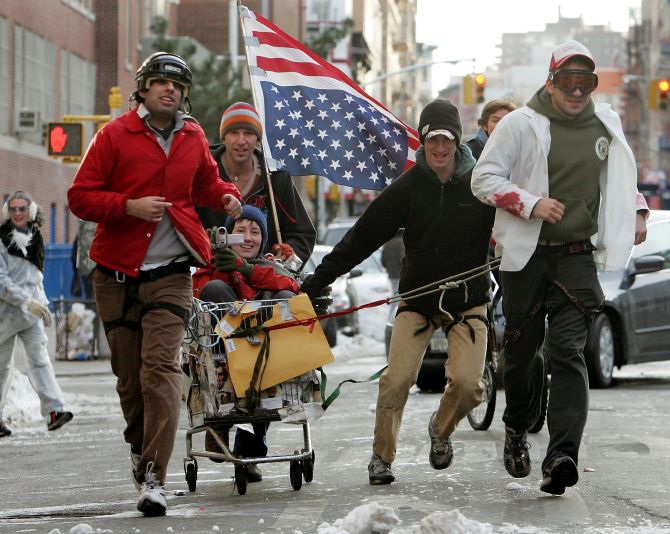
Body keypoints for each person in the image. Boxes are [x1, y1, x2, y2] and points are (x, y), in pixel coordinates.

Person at [67, 52, 242, 517]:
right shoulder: (113, 135)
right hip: (116, 275)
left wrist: (225, 196)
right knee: (130, 380)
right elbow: (79, 197)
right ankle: (138, 449)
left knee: (160, 372)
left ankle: (154, 478)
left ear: (185, 94)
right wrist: (128, 207)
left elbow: (205, 183)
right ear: (143, 89)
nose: (170, 89)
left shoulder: (193, 135)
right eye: (160, 82)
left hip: (170, 275)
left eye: (177, 84)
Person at [471, 40, 649, 496]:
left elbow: (622, 175)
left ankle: (562, 455)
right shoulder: (518, 124)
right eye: (567, 81)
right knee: (524, 351)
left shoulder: (605, 121)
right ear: (550, 82)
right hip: (525, 258)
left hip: (575, 255)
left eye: (584, 82)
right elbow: (482, 179)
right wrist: (530, 204)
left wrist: (638, 209)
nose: (576, 90)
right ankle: (516, 428)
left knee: (569, 350)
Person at [300, 99, 495, 485]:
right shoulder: (408, 187)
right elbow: (361, 238)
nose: (439, 148)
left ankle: (441, 429)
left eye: (446, 139)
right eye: (432, 140)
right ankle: (381, 458)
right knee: (397, 380)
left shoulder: (482, 186)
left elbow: (515, 227)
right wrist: (315, 283)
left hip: (468, 300)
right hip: (418, 300)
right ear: (422, 142)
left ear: (457, 141)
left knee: (472, 386)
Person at [192, 205, 300, 482]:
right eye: (241, 231)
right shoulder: (211, 265)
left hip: (263, 360)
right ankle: (219, 425)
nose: (248, 238)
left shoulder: (267, 265)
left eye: (254, 232)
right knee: (214, 291)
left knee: (280, 294)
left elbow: (293, 287)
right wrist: (221, 265)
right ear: (227, 235)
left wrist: (247, 269)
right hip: (222, 360)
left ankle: (248, 451)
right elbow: (197, 294)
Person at [197, 102, 316, 265]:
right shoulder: (202, 170)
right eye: (233, 132)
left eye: (248, 133)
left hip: (265, 277)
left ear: (258, 139)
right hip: (212, 272)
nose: (241, 141)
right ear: (223, 136)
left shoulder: (275, 177)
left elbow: (303, 233)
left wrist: (287, 259)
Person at [0, 191, 73, 438]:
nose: (18, 214)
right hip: (5, 314)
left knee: (40, 359)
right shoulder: (1, 240)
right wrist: (27, 302)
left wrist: (42, 305)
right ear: (7, 212)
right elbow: (1, 282)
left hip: (31, 312)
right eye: (13, 209)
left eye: (22, 209)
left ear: (30, 211)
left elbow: (35, 280)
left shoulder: (35, 238)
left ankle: (54, 411)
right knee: (2, 367)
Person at [380, 228, 404, 293]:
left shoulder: (387, 244)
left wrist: (389, 268)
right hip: (401, 274)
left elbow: (383, 261)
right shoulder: (402, 242)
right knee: (401, 294)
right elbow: (402, 259)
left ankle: (394, 303)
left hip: (391, 273)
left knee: (394, 292)